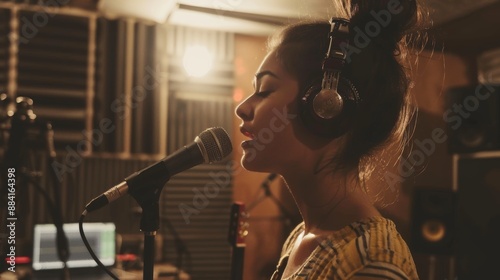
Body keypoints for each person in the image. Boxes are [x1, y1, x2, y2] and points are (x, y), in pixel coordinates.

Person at [235, 0, 425, 279]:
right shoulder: (301, 237)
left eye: (265, 90)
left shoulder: (370, 263)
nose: (242, 108)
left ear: (325, 107)